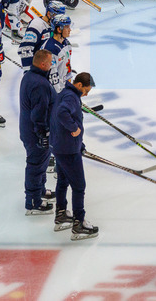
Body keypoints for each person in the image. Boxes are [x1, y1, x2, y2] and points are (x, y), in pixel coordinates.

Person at [51, 71, 97, 240]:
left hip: (60, 146)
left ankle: (61, 213)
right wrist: (75, 129)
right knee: (79, 186)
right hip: (67, 150)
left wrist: (80, 144)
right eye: (86, 91)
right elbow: (62, 113)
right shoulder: (71, 97)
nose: (86, 94)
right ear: (79, 85)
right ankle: (79, 223)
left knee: (62, 181)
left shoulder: (66, 92)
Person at [20, 49, 55, 216]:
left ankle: (39, 190)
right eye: (50, 62)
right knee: (36, 165)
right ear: (43, 64)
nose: (52, 65)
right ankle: (33, 201)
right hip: (35, 133)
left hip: (30, 130)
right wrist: (43, 134)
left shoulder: (30, 76)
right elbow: (38, 113)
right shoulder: (39, 84)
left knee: (41, 163)